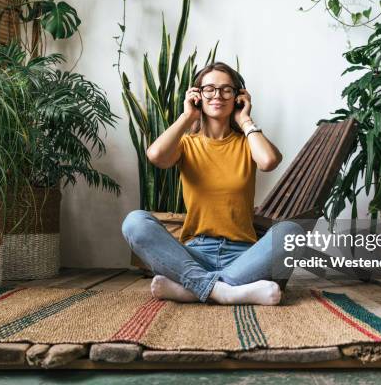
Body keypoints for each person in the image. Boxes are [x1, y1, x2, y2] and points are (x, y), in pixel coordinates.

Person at [122, 62, 303, 305]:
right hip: (194, 253)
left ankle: (192, 289)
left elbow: (269, 161)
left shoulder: (247, 143)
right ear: (197, 96)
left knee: (293, 232)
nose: (217, 95)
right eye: (209, 89)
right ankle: (227, 292)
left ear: (238, 97)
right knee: (134, 222)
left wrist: (246, 120)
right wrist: (187, 117)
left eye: (226, 89)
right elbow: (155, 156)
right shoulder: (186, 145)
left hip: (244, 255)